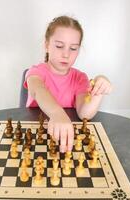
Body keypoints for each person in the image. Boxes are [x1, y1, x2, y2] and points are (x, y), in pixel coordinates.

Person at [23, 15, 112, 153]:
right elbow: (38, 90)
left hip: (68, 138)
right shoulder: (35, 72)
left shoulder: (80, 78)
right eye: (59, 46)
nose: (66, 54)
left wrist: (99, 89)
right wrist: (57, 113)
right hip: (36, 139)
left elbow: (84, 114)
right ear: (47, 45)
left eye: (73, 48)